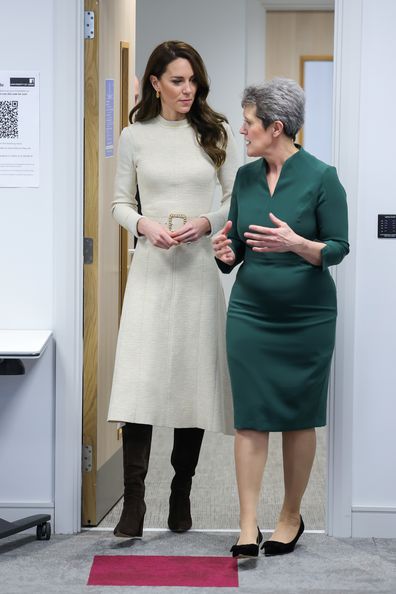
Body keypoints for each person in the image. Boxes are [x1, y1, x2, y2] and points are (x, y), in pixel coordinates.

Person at [107, 40, 239, 538]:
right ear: (155, 83)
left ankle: (180, 495)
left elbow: (234, 195)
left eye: (194, 81)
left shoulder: (215, 131)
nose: (188, 90)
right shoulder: (134, 135)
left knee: (192, 384)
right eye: (178, 81)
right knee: (140, 382)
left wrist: (208, 221)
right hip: (151, 271)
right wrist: (143, 225)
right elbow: (119, 202)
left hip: (198, 271)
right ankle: (133, 504)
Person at [213, 78, 349, 558]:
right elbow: (238, 251)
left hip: (306, 318)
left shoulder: (322, 176)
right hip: (251, 313)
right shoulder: (247, 178)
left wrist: (299, 244)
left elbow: (337, 248)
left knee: (297, 418)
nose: (242, 130)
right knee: (251, 417)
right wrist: (225, 253)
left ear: (276, 127)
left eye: (249, 123)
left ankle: (290, 515)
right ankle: (247, 526)